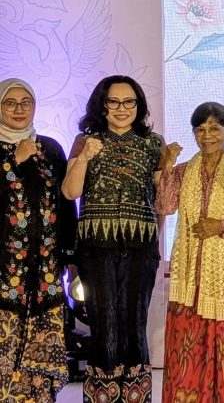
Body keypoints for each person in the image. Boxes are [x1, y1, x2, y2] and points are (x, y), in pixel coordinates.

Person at [62, 75, 164, 402]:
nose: (122, 108)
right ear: (102, 105)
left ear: (139, 105)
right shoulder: (85, 141)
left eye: (129, 101)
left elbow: (161, 201)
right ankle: (102, 396)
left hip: (140, 246)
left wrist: (155, 243)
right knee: (103, 324)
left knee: (135, 324)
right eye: (114, 101)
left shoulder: (154, 143)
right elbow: (70, 192)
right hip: (96, 246)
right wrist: (84, 158)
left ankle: (136, 396)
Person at [156, 102, 224, 402]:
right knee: (187, 338)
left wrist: (221, 226)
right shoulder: (184, 171)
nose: (207, 136)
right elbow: (165, 206)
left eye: (214, 129)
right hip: (189, 273)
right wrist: (167, 165)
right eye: (200, 130)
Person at [0, 79, 76, 401]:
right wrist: (12, 163)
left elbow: (66, 204)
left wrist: (70, 255)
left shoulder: (51, 148)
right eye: (10, 103)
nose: (19, 109)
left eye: (26, 102)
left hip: (45, 268)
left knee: (40, 356)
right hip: (5, 269)